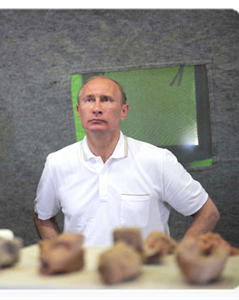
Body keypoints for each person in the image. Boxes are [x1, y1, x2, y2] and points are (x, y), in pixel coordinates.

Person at [34, 76, 219, 246]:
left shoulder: (157, 161)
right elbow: (43, 217)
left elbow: (208, 213)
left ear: (124, 111)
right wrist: (61, 254)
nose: (97, 108)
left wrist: (179, 258)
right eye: (89, 100)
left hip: (144, 278)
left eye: (106, 100)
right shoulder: (57, 163)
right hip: (83, 279)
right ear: (79, 111)